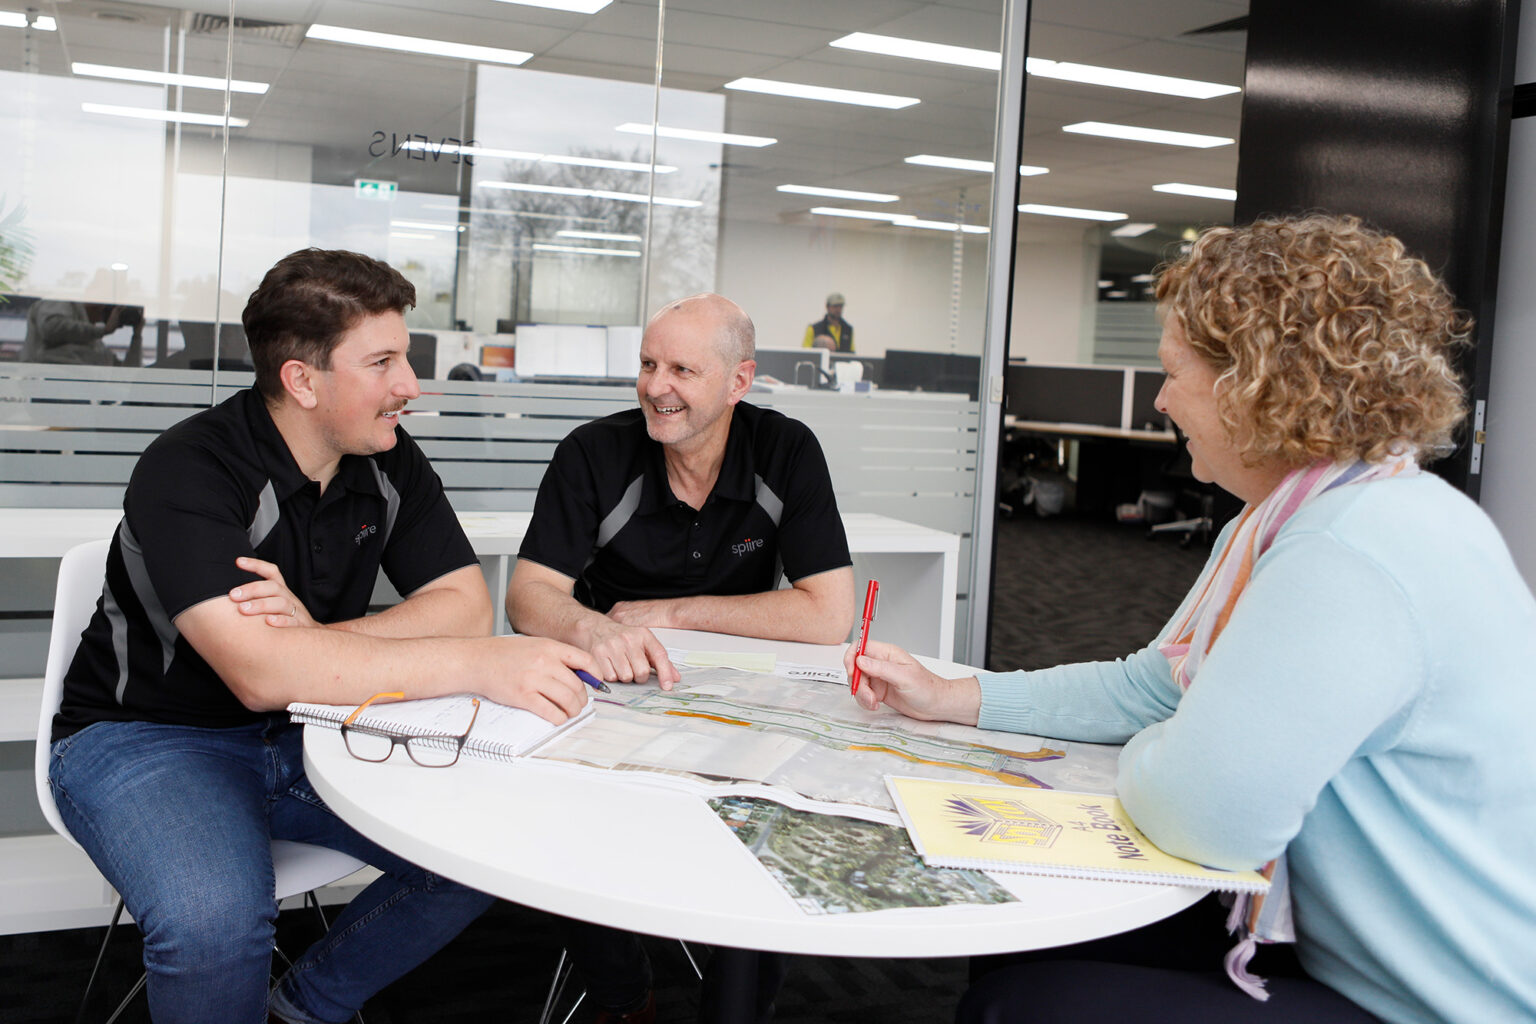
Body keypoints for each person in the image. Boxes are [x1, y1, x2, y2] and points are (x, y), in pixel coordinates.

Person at [847, 214, 1536, 1024]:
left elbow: (1204, 814)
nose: (1162, 398)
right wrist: (954, 696)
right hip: (1342, 943)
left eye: (1176, 372)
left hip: (1443, 1004)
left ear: (1262, 384)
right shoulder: (1293, 516)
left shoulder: (1350, 547)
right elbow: (1156, 687)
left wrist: (1175, 745)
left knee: (1026, 1008)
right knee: (1023, 925)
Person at [48, 248, 598, 1024]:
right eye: (383, 362)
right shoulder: (190, 468)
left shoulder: (387, 458)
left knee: (483, 851)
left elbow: (465, 602)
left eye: (404, 357)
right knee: (214, 927)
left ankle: (303, 1006)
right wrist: (477, 664)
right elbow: (261, 675)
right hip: (149, 737)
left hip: (313, 728)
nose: (410, 385)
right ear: (304, 381)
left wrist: (318, 639)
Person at [509, 291, 858, 1023]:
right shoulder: (595, 452)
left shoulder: (785, 450)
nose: (655, 387)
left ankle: (738, 1004)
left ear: (739, 381)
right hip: (612, 687)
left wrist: (674, 612)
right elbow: (530, 594)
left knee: (772, 819)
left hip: (742, 696)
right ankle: (619, 987)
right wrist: (592, 629)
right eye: (647, 364)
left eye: (681, 371)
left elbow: (829, 615)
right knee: (564, 809)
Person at [23, 298, 144, 365]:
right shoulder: (61, 300)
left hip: (78, 397)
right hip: (50, 385)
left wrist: (136, 337)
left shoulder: (95, 344)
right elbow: (51, 327)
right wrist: (103, 330)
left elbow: (126, 377)